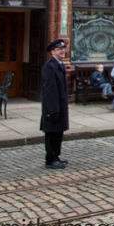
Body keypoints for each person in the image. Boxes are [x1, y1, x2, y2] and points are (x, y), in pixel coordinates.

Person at [41, 38, 69, 169]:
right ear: (52, 52)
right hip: (53, 106)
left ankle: (56, 156)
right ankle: (50, 158)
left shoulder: (59, 65)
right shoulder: (49, 66)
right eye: (59, 49)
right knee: (52, 132)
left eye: (63, 49)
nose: (62, 51)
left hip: (60, 104)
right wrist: (53, 109)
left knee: (58, 131)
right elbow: (50, 90)